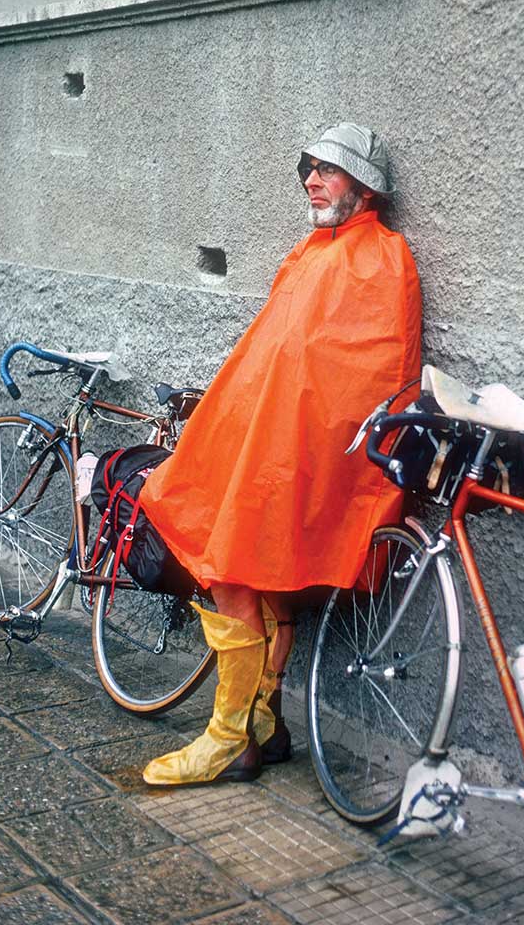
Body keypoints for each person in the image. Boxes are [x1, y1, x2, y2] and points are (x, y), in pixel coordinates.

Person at [140, 122, 422, 786]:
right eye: (310, 167)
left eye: (329, 169)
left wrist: (302, 443)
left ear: (365, 185)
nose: (312, 180)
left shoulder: (384, 257)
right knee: (252, 579)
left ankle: (227, 737)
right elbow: (274, 353)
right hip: (263, 441)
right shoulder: (312, 251)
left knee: (238, 568)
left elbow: (375, 376)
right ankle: (260, 725)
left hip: (307, 454)